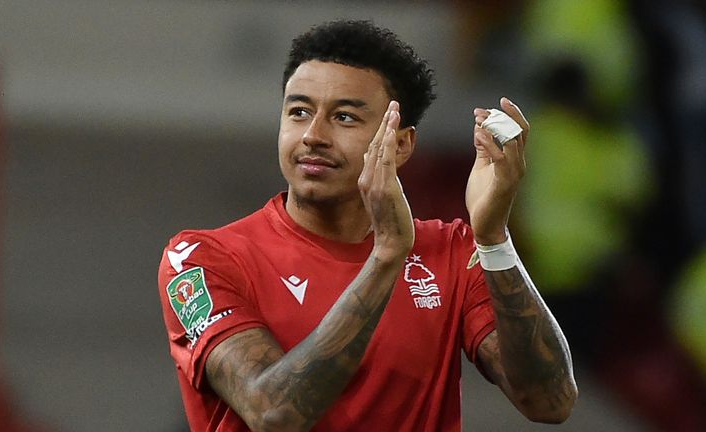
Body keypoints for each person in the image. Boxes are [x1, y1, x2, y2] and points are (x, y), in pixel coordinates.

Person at [158, 20, 577, 432]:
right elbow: (275, 414)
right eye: (299, 112)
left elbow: (550, 401)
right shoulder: (202, 258)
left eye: (344, 118)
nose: (313, 136)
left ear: (400, 144)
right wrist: (386, 257)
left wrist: (493, 240)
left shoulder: (450, 252)